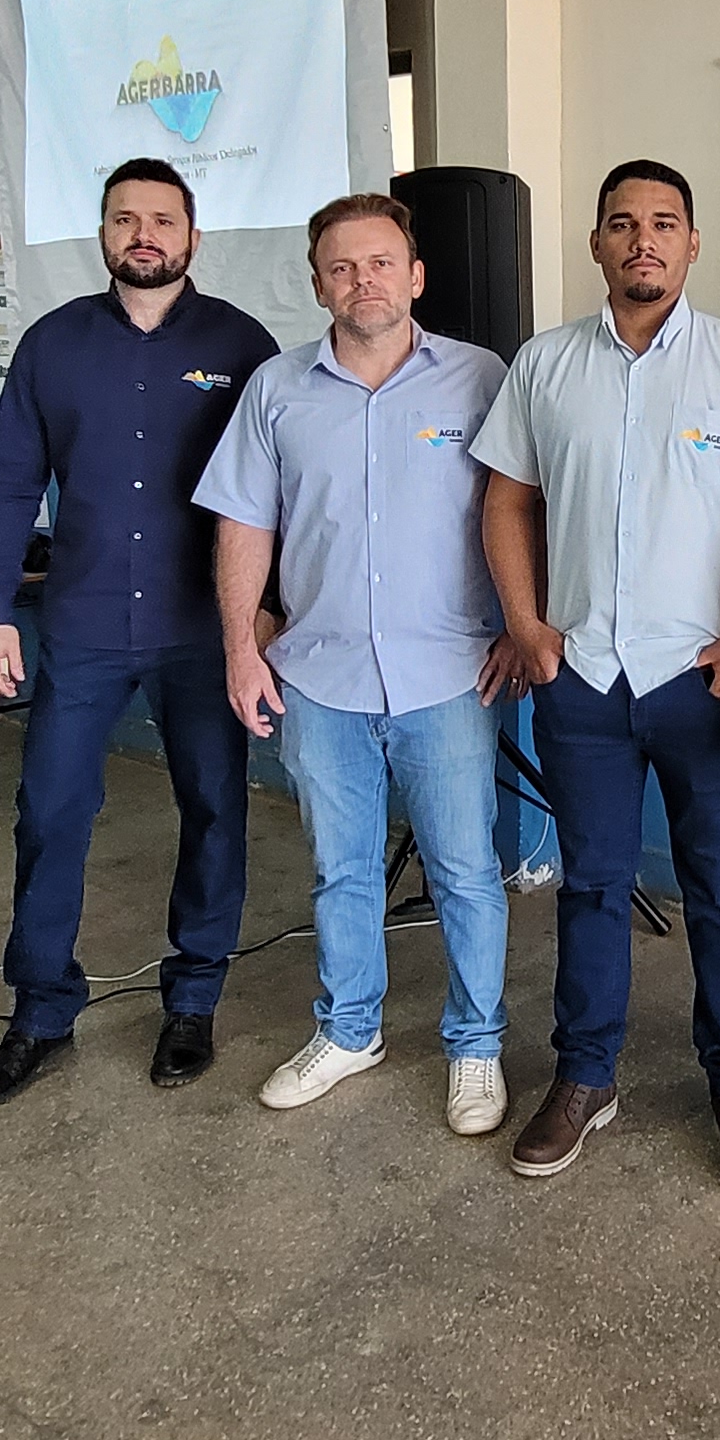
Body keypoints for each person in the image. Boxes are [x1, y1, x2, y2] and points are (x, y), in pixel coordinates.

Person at [474, 159, 720, 1196]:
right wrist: (525, 625)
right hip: (583, 679)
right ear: (597, 245)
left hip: (706, 680)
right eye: (621, 223)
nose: (642, 240)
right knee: (592, 887)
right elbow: (507, 500)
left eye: (663, 223)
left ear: (693, 244)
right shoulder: (545, 363)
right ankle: (584, 1076)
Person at [0, 158, 279, 1109]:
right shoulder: (52, 344)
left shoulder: (243, 344)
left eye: (162, 220)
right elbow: (8, 484)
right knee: (49, 812)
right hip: (85, 624)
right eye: (125, 218)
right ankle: (40, 1012)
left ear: (193, 236)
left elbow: (278, 489)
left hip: (202, 626)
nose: (144, 234)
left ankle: (194, 998)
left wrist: (265, 614)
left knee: (213, 808)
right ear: (102, 233)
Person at [197, 193, 518, 1136]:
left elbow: (521, 507)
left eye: (380, 263)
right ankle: (348, 1031)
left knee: (466, 873)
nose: (361, 281)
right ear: (318, 284)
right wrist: (239, 648)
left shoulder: (482, 378)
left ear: (415, 276)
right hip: (320, 676)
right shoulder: (277, 389)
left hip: (448, 675)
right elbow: (243, 522)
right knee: (341, 873)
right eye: (341, 267)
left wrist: (522, 622)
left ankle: (475, 1045)